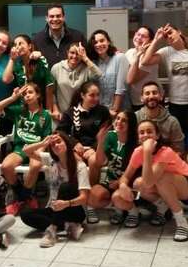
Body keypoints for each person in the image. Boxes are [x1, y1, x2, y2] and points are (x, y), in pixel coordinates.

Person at [111, 120, 188, 241]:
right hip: (167, 183)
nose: (145, 135)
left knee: (161, 178)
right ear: (138, 137)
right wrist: (122, 185)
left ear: (157, 135)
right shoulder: (138, 152)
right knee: (137, 183)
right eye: (141, 132)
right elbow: (126, 176)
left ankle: (182, 223)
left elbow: (149, 182)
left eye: (149, 131)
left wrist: (147, 152)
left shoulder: (165, 152)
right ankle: (162, 207)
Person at [21, 132, 91, 248]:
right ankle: (67, 226)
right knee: (25, 214)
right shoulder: (51, 160)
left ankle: (52, 230)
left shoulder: (80, 166)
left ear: (67, 144)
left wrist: (66, 203)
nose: (56, 145)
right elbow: (26, 151)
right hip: (55, 208)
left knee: (65, 186)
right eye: (53, 145)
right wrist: (43, 143)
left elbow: (84, 198)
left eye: (59, 142)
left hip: (74, 210)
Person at [0, 83, 53, 215]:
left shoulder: (45, 115)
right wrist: (13, 98)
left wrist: (40, 151)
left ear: (38, 95)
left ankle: (20, 199)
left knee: (35, 165)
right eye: (24, 94)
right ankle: (24, 196)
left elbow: (46, 138)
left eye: (30, 92)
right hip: (20, 147)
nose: (27, 95)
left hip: (36, 148)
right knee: (6, 166)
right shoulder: (19, 110)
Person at [55, 80, 110, 224]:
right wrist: (75, 143)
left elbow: (106, 133)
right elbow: (60, 131)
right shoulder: (71, 112)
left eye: (98, 95)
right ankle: (77, 199)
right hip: (76, 148)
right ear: (82, 96)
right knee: (75, 162)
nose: (96, 98)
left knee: (93, 160)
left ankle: (90, 202)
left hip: (95, 149)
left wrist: (94, 147)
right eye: (92, 95)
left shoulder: (102, 111)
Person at [140, 24, 188, 139]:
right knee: (176, 137)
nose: (169, 36)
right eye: (166, 36)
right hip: (175, 104)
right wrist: (157, 39)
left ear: (179, 31)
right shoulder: (166, 52)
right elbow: (145, 61)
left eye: (170, 32)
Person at [88, 111, 138, 225]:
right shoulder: (110, 136)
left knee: (117, 197)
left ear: (131, 125)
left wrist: (120, 182)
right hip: (111, 180)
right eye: (118, 118)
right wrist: (100, 141)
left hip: (128, 182)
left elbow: (135, 172)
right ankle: (118, 209)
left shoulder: (135, 143)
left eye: (124, 120)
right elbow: (100, 162)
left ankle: (133, 211)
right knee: (92, 196)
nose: (119, 122)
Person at [3, 34, 56, 118]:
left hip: (40, 106)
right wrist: (12, 59)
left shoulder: (40, 60)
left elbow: (49, 85)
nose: (18, 47)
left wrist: (49, 110)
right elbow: (6, 79)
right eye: (15, 45)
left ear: (30, 46)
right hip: (23, 106)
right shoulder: (17, 65)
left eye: (21, 43)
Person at [50, 42, 102, 115]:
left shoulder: (86, 69)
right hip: (61, 113)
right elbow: (52, 92)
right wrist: (55, 110)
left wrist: (85, 58)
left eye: (78, 53)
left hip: (81, 115)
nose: (74, 56)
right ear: (67, 52)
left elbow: (98, 75)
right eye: (72, 53)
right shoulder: (57, 68)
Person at [87, 29, 129, 117]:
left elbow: (121, 88)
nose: (99, 44)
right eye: (95, 42)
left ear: (108, 42)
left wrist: (114, 110)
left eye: (102, 41)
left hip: (119, 111)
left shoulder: (120, 58)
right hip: (100, 110)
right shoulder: (93, 63)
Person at [33, 3, 86, 70]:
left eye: (58, 16)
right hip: (48, 80)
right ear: (46, 18)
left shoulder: (78, 37)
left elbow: (86, 61)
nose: (55, 19)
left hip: (73, 80)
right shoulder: (37, 39)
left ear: (64, 17)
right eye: (51, 16)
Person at [135, 81, 185, 152]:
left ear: (161, 97)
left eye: (154, 93)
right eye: (147, 93)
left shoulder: (172, 121)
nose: (151, 96)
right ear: (141, 98)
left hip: (166, 160)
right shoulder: (135, 118)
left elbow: (179, 150)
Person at [125, 26, 158, 111]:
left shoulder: (150, 57)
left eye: (143, 36)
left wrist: (138, 56)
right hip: (133, 100)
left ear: (150, 41)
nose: (139, 38)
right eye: (138, 34)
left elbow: (130, 80)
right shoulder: (129, 52)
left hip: (148, 101)